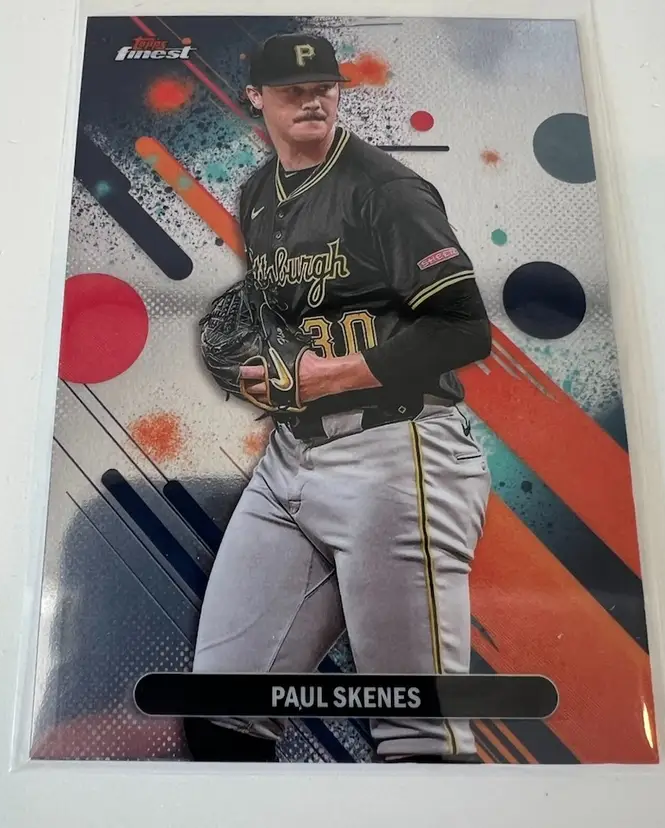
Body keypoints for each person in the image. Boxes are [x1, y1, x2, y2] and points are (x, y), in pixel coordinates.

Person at [186, 32, 492, 763]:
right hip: (291, 459)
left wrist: (326, 376)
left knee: (417, 736)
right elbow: (293, 312)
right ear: (255, 99)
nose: (311, 99)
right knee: (220, 713)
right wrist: (255, 363)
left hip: (399, 454)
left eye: (323, 86)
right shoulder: (258, 195)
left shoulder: (387, 191)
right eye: (292, 90)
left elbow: (464, 329)